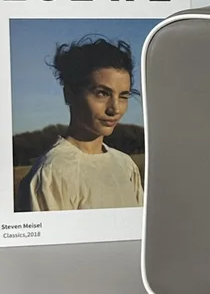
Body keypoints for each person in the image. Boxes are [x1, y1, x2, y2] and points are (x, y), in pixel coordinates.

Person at [16, 37, 144, 212]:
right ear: (69, 94)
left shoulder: (126, 166)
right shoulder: (50, 174)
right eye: (102, 93)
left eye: (123, 96)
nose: (115, 108)